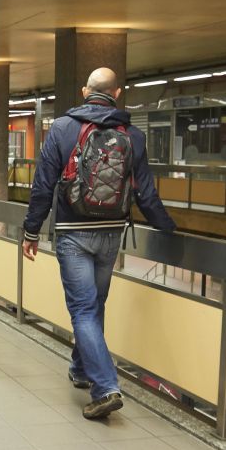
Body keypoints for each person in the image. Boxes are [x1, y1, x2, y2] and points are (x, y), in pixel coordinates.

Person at [22, 68, 176, 420]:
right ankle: (81, 369)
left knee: (83, 309)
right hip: (111, 233)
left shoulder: (62, 128)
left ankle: (106, 388)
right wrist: (169, 229)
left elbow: (43, 185)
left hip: (73, 232)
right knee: (94, 305)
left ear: (84, 90)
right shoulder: (133, 135)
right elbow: (146, 193)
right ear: (117, 93)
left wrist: (31, 231)